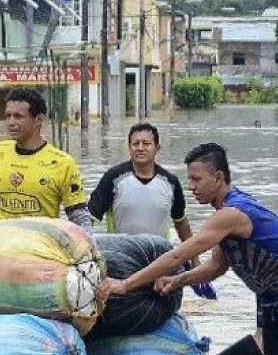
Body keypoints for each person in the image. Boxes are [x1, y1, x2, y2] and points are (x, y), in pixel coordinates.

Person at [98, 142, 278, 355]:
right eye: (189, 180)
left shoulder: (232, 213)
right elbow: (216, 267)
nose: (191, 187)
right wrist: (177, 281)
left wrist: (125, 285)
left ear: (218, 178)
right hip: (274, 300)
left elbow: (177, 256)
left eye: (196, 179)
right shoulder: (226, 214)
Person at [88, 122, 215, 299]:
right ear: (129, 147)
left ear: (157, 148)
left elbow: (181, 222)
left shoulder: (170, 182)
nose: (140, 148)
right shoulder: (113, 178)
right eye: (135, 144)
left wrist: (194, 260)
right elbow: (89, 219)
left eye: (146, 143)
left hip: (159, 263)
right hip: (120, 262)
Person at [0, 87, 91, 231]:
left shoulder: (63, 163)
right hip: (1, 241)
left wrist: (87, 243)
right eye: (8, 116)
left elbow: (79, 218)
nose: (11, 122)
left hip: (39, 242)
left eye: (18, 116)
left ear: (38, 120)